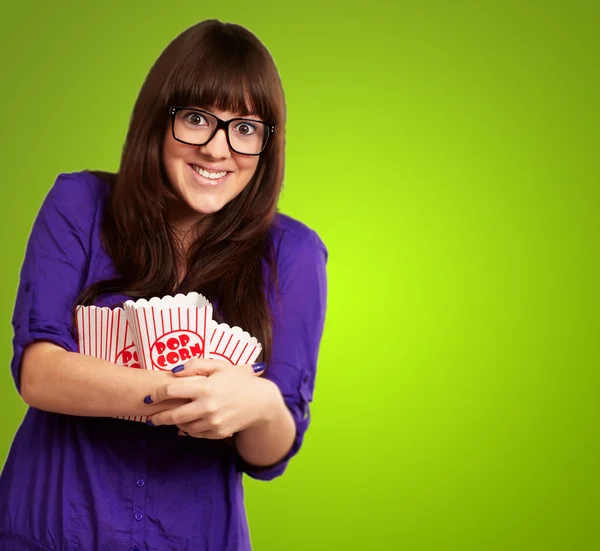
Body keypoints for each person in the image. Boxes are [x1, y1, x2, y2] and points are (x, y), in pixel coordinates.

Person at [0, 19, 327, 551]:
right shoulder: (79, 204)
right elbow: (38, 372)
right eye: (197, 119)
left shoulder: (294, 254)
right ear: (158, 120)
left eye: (245, 127)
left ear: (268, 144)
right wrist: (185, 395)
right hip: (50, 527)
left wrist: (259, 404)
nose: (219, 150)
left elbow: (268, 453)